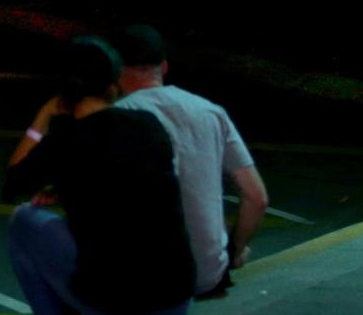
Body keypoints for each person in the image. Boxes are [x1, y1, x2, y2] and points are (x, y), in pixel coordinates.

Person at [0, 37, 195, 315]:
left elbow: (13, 183)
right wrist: (68, 186)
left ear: (64, 92)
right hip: (176, 300)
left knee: (24, 220)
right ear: (113, 84)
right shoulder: (147, 124)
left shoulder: (66, 141)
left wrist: (44, 115)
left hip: (125, 308)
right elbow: (128, 180)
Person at [111, 24, 269, 298]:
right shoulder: (210, 111)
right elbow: (257, 197)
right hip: (207, 276)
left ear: (115, 70)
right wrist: (232, 253)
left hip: (149, 282)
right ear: (164, 66)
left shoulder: (116, 117)